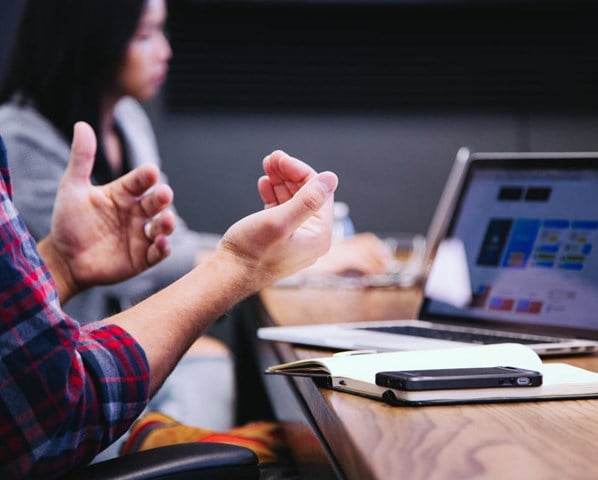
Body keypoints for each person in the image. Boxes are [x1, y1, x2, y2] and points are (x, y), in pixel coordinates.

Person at [0, 0, 392, 431]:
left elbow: (165, 244)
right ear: (91, 39)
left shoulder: (126, 119)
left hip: (109, 350)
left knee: (216, 364)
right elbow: (147, 269)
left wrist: (262, 256)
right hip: (69, 377)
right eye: (145, 34)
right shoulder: (19, 140)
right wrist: (259, 262)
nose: (165, 51)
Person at [0, 120, 338, 478]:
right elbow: (56, 410)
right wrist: (241, 264)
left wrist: (61, 265)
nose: (165, 58)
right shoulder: (21, 132)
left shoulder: (128, 118)